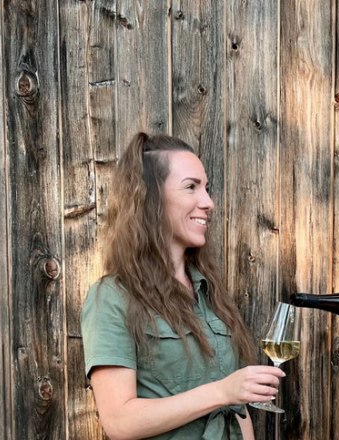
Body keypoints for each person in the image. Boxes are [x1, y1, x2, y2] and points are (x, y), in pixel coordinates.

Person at [80, 133, 285, 440]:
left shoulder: (210, 293)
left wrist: (231, 394)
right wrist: (221, 392)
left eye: (206, 188)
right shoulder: (112, 297)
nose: (208, 202)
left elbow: (237, 410)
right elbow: (120, 422)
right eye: (191, 187)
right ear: (151, 199)